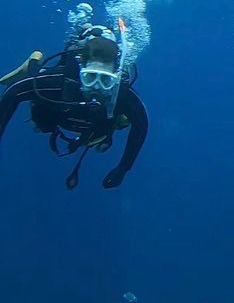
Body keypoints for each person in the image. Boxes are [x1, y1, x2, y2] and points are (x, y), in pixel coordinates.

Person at [0, 20, 149, 189]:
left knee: (119, 123)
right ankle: (34, 61)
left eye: (105, 80)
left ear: (114, 78)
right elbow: (13, 93)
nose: (96, 88)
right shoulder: (61, 81)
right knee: (40, 111)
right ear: (81, 71)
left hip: (94, 129)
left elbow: (141, 124)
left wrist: (123, 168)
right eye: (90, 77)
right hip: (58, 110)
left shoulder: (121, 94)